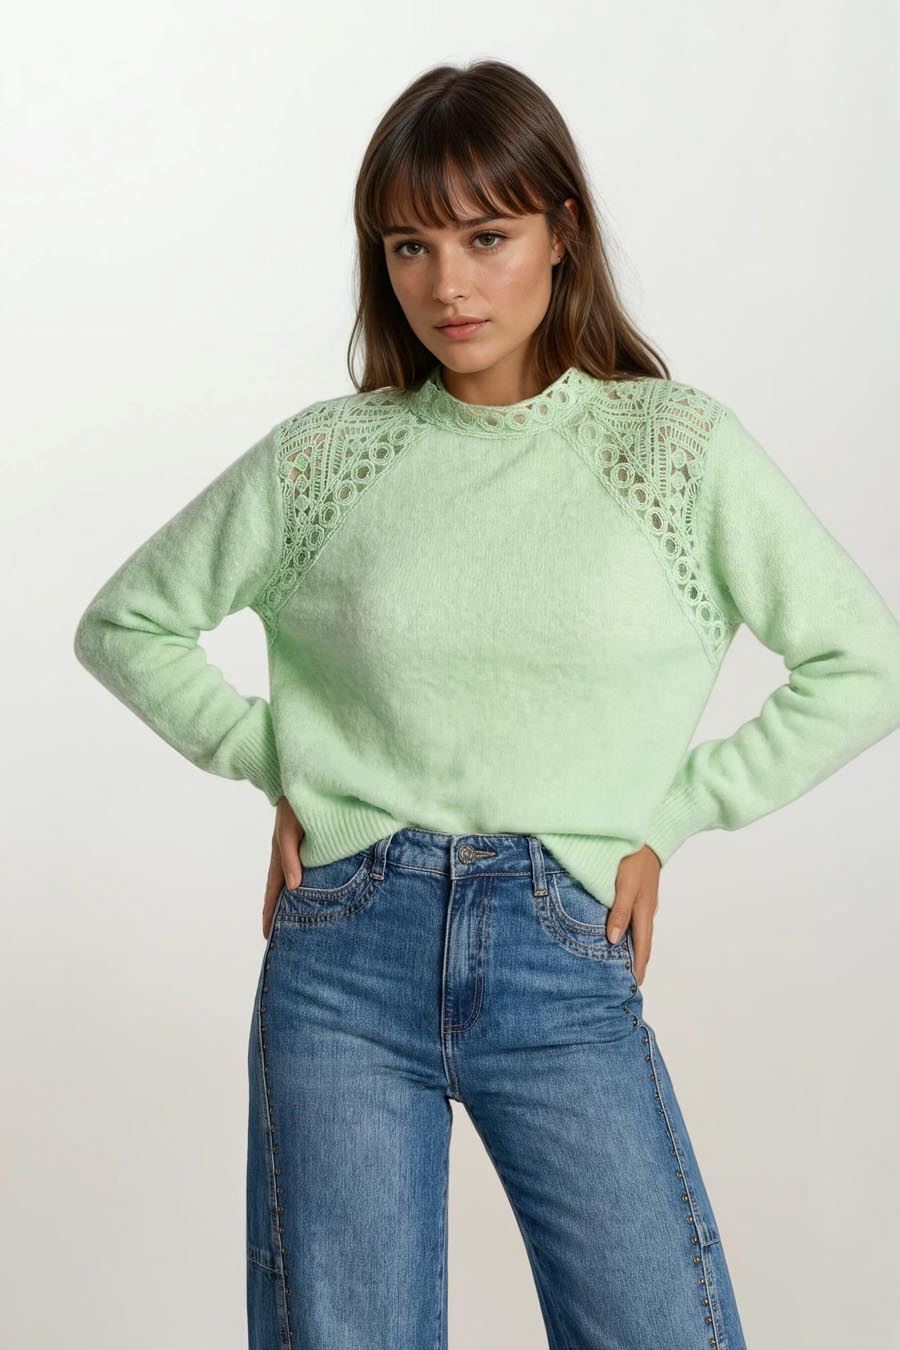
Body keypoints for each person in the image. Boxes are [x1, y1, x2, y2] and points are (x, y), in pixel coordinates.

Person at [73, 58, 900, 1350]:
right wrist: (279, 758)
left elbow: (865, 663)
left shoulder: (673, 449)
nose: (446, 285)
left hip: (560, 943)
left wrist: (670, 816)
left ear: (561, 233)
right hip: (344, 946)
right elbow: (127, 622)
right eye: (410, 245)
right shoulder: (329, 458)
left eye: (486, 236)